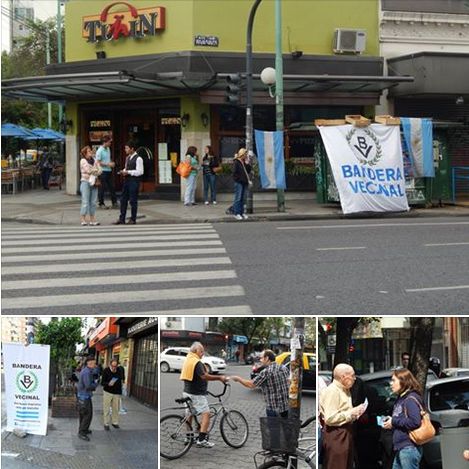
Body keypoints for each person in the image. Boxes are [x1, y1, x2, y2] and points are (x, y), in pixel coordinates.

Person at [180, 341, 228, 448]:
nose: (203, 353)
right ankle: (201, 440)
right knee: (206, 413)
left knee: (189, 414)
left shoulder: (189, 359)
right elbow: (204, 376)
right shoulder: (196, 362)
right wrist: (219, 378)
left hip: (187, 391)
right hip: (196, 394)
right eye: (201, 351)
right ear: (196, 351)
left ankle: (188, 437)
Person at [319, 363, 366, 469]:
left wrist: (355, 413)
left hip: (344, 432)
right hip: (337, 434)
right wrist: (351, 413)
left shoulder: (344, 389)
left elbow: (344, 412)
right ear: (343, 376)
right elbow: (330, 418)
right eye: (352, 375)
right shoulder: (333, 391)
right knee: (337, 465)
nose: (354, 378)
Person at [383, 368, 425, 469]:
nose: (391, 383)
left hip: (409, 447)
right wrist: (391, 422)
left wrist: (394, 421)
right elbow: (401, 420)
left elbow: (415, 422)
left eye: (393, 380)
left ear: (403, 381)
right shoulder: (401, 398)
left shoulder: (410, 399)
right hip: (401, 448)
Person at [231, 349, 289, 417]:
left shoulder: (266, 371)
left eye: (261, 358)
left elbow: (251, 384)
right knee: (284, 427)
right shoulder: (283, 367)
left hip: (273, 409)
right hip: (285, 407)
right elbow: (289, 381)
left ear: (267, 358)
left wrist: (238, 379)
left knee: (274, 427)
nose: (260, 360)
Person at [114, 141, 143, 225]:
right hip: (126, 181)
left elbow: (140, 172)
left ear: (132, 149)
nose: (125, 150)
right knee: (123, 200)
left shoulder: (138, 159)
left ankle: (133, 219)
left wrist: (129, 172)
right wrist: (123, 171)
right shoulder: (127, 158)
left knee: (133, 200)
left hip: (134, 181)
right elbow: (126, 168)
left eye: (127, 148)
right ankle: (122, 218)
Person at [77, 356, 98, 441]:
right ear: (89, 363)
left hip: (83, 396)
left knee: (83, 414)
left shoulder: (88, 371)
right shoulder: (86, 372)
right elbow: (88, 386)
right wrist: (96, 384)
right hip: (84, 397)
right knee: (87, 415)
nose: (95, 365)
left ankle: (83, 429)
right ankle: (82, 432)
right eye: (94, 363)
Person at [79, 145, 101, 226]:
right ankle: (83, 218)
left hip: (94, 182)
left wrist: (95, 171)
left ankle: (92, 219)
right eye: (88, 151)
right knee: (85, 202)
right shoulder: (83, 161)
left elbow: (100, 170)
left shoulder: (94, 160)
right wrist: (95, 170)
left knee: (93, 202)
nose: (90, 152)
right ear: (85, 153)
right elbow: (88, 170)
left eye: (90, 151)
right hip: (85, 182)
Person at [95, 135, 118, 209]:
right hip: (102, 171)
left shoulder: (108, 149)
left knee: (112, 187)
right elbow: (98, 162)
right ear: (105, 142)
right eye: (109, 142)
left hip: (109, 170)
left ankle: (114, 202)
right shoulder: (99, 151)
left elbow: (108, 159)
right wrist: (108, 164)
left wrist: (111, 162)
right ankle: (101, 203)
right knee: (102, 188)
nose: (110, 143)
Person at [101, 358, 124, 430]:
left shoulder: (119, 370)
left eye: (115, 366)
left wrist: (120, 393)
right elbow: (102, 383)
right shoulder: (106, 371)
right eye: (113, 366)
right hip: (108, 392)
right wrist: (108, 384)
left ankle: (115, 422)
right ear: (110, 364)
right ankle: (106, 423)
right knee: (106, 408)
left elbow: (121, 380)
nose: (114, 368)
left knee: (116, 409)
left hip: (116, 392)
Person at [232, 148, 251, 220]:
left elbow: (248, 171)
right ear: (242, 154)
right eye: (245, 154)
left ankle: (242, 212)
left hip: (244, 182)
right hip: (239, 182)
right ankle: (237, 213)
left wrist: (247, 163)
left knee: (243, 198)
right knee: (238, 198)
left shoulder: (244, 162)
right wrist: (238, 179)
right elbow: (234, 173)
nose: (246, 156)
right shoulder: (236, 162)